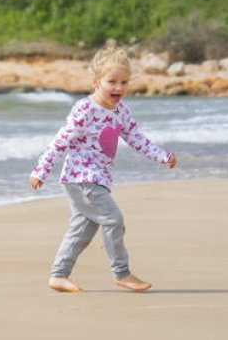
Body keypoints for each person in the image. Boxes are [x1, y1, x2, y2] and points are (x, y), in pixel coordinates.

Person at [29, 45, 177, 293]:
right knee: (113, 219)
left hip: (97, 179)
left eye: (124, 82)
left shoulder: (122, 112)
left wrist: (163, 156)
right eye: (112, 82)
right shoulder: (84, 109)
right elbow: (60, 140)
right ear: (97, 82)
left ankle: (59, 275)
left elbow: (137, 139)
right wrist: (40, 170)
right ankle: (122, 273)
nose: (118, 88)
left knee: (82, 230)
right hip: (81, 178)